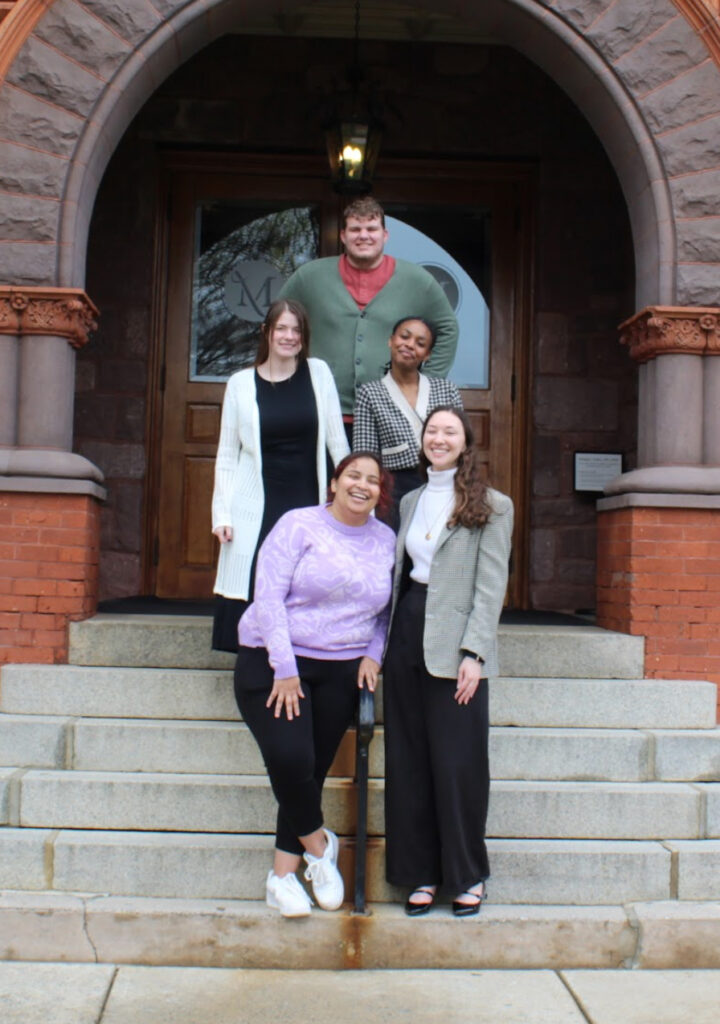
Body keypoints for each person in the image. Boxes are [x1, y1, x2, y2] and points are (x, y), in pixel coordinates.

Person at [234, 452, 396, 917]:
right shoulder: (298, 525)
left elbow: (387, 612)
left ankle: (282, 879)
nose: (361, 485)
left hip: (342, 668)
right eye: (353, 476)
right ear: (334, 483)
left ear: (380, 494)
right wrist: (284, 668)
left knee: (310, 773)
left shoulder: (386, 540)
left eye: (372, 481)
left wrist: (373, 653)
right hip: (273, 663)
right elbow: (267, 596)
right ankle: (321, 847)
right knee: (291, 758)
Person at [383, 406, 513, 917]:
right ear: (422, 440)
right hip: (408, 630)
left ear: (465, 442)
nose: (439, 438)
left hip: (457, 643)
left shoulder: (492, 505)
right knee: (408, 761)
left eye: (449, 432)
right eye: (432, 430)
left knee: (458, 764)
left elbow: (491, 585)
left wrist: (474, 653)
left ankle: (466, 874)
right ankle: (418, 874)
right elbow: (398, 575)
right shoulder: (410, 500)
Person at [211, 298, 349, 652]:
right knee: (253, 577)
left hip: (307, 498)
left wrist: (350, 501)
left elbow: (337, 442)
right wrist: (222, 514)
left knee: (303, 580)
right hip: (254, 503)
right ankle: (254, 661)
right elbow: (227, 454)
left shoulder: (317, 373)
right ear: (266, 333)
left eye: (296, 330)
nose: (289, 336)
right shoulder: (240, 383)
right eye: (281, 328)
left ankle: (298, 657)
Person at [278, 197, 458, 428]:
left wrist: (425, 384)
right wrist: (286, 377)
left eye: (371, 229)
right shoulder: (309, 277)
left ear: (385, 235)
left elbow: (447, 329)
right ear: (343, 236)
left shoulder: (417, 280)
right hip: (320, 411)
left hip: (390, 413)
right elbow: (276, 325)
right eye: (355, 229)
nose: (363, 236)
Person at [353, 315, 463, 524]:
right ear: (391, 340)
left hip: (443, 485)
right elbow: (365, 455)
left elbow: (461, 444)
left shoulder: (447, 390)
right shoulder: (370, 393)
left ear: (427, 355)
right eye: (404, 337)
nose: (410, 345)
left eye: (420, 343)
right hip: (395, 491)